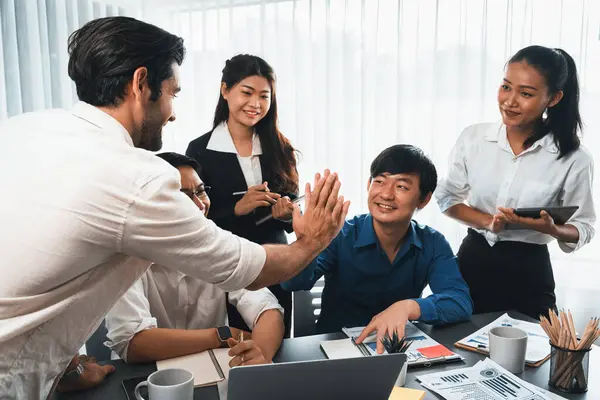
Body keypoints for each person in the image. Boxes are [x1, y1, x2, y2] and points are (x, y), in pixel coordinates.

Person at [0, 17, 349, 400]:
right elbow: (248, 270)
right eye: (173, 93)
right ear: (140, 83)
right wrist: (313, 240)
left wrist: (61, 364)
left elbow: (36, 260)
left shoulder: (24, 129)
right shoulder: (135, 177)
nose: (173, 112)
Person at [435, 45, 595, 320]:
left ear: (553, 98)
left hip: (529, 271)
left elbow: (584, 227)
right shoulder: (474, 138)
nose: (509, 101)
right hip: (473, 261)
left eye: (526, 94)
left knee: (536, 354)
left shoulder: (574, 159)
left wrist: (553, 229)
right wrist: (487, 221)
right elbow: (447, 197)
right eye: (506, 87)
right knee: (456, 349)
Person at [282, 145, 473, 353]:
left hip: (394, 351)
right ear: (368, 185)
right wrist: (306, 242)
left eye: (401, 187)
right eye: (379, 182)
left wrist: (408, 307)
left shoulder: (433, 242)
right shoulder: (340, 234)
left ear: (424, 199)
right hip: (335, 350)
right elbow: (292, 283)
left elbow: (460, 301)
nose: (386, 194)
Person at [104, 152, 284, 366]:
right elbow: (134, 343)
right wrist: (220, 335)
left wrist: (259, 357)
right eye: (183, 195)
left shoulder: (217, 245)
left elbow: (268, 309)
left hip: (212, 370)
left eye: (200, 192)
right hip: (143, 376)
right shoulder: (123, 257)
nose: (200, 205)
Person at [186, 54, 299, 337]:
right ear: (225, 91)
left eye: (264, 96)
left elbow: (293, 208)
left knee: (276, 343)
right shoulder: (200, 150)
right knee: (230, 345)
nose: (256, 104)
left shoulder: (280, 148)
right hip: (226, 263)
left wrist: (286, 213)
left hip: (274, 263)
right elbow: (190, 216)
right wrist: (237, 208)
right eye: (246, 93)